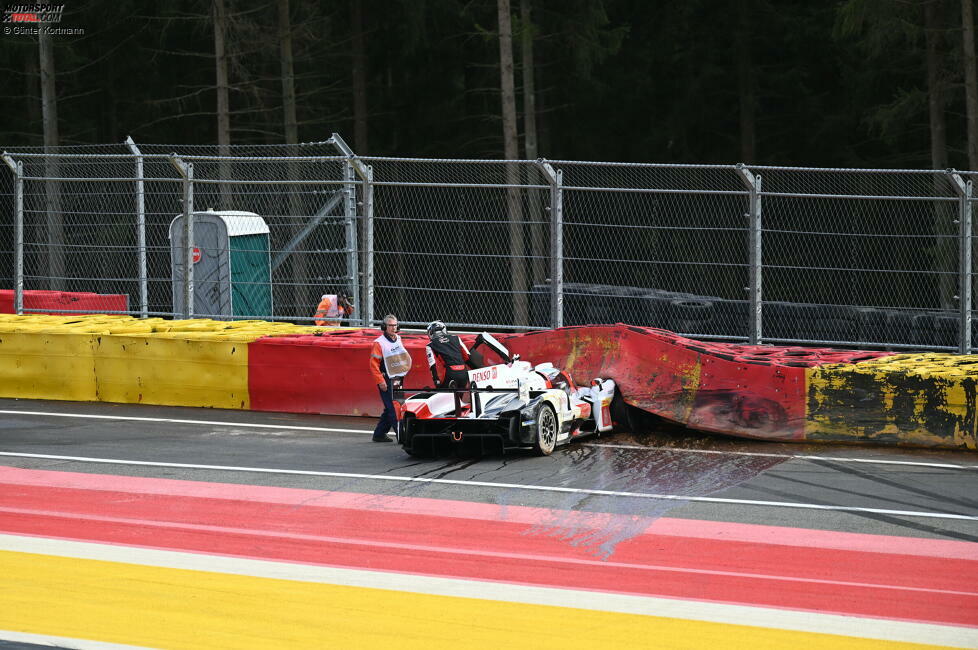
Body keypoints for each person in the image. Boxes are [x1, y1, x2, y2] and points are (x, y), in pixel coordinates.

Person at [369, 314, 412, 442]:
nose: (393, 328)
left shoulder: (398, 338)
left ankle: (379, 434)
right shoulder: (379, 343)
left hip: (398, 378)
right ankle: (402, 437)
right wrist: (380, 381)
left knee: (393, 406)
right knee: (394, 408)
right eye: (390, 325)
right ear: (384, 327)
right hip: (386, 379)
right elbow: (373, 365)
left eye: (395, 325)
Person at [425, 320, 476, 388]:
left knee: (445, 397)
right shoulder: (456, 338)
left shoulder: (430, 345)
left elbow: (432, 365)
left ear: (430, 333)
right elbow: (467, 357)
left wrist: (436, 380)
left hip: (450, 374)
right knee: (459, 397)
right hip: (463, 373)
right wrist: (476, 370)